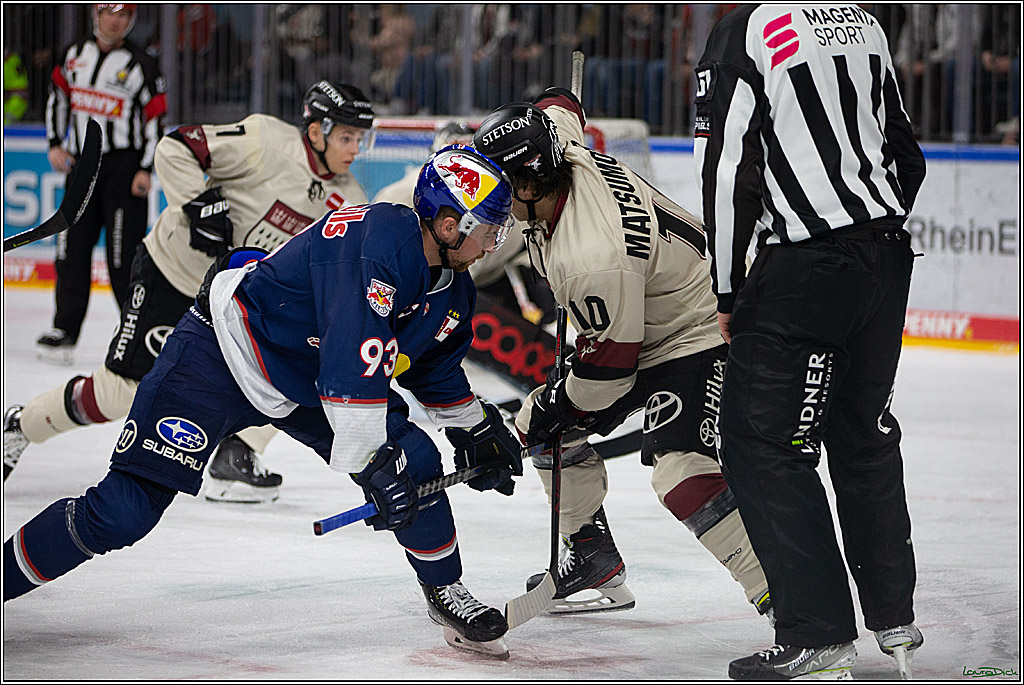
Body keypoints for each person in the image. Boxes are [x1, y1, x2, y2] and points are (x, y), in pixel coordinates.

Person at [4, 144, 524, 658]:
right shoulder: (380, 245)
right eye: (488, 229)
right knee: (122, 512)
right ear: (451, 224)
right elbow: (351, 366)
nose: (494, 242)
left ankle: (445, 589)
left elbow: (433, 365)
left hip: (304, 375)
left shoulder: (452, 286)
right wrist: (376, 467)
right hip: (223, 353)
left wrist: (475, 429)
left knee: (417, 461)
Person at [473, 89, 771, 619]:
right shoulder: (559, 146)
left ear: (526, 180)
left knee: (680, 469)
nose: (488, 201)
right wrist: (548, 416)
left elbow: (609, 369)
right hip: (648, 315)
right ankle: (592, 559)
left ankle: (785, 599)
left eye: (498, 186)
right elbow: (560, 104)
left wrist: (557, 409)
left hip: (704, 327)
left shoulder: (589, 256)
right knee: (541, 422)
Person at [693, 5, 926, 680]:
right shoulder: (865, 22)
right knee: (864, 435)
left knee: (763, 446)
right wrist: (865, 223)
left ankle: (818, 632)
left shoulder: (745, 30)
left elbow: (727, 163)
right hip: (883, 258)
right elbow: (904, 153)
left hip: (803, 269)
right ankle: (894, 616)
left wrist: (729, 288)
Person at [3, 81, 372, 505]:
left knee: (297, 366)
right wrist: (195, 204)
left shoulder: (349, 199)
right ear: (314, 131)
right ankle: (23, 425)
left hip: (235, 304)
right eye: (347, 137)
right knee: (121, 391)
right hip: (174, 274)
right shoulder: (265, 140)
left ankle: (237, 454)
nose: (355, 150)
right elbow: (176, 145)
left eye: (360, 139)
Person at [39, 3, 167, 366]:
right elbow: (57, 99)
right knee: (70, 249)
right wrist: (54, 143)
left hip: (124, 170)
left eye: (124, 15)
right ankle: (64, 330)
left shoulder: (143, 64)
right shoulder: (72, 55)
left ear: (132, 21)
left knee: (122, 257)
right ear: (96, 16)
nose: (116, 20)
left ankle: (135, 333)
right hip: (81, 167)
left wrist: (146, 168)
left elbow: (156, 120)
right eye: (110, 13)